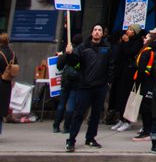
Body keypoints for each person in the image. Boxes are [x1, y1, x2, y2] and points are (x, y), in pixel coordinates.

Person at [61, 23, 113, 153]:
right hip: (85, 86)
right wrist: (69, 54)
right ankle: (71, 140)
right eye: (95, 30)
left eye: (99, 30)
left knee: (95, 114)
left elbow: (111, 65)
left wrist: (108, 81)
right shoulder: (83, 47)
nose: (97, 32)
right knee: (78, 113)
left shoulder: (107, 47)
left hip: (100, 86)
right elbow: (74, 62)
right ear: (91, 33)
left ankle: (90, 138)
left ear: (103, 34)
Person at [108, 25, 142, 131]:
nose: (128, 31)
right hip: (120, 72)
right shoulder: (123, 41)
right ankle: (121, 119)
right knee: (118, 96)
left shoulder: (137, 42)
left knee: (126, 97)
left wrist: (126, 43)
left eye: (131, 30)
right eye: (128, 29)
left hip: (129, 74)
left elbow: (129, 53)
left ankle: (127, 121)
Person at [53, 34, 82, 134]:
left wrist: (63, 55)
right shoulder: (79, 52)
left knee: (61, 104)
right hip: (75, 81)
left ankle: (56, 126)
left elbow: (59, 66)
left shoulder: (66, 52)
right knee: (70, 105)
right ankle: (67, 127)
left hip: (65, 80)